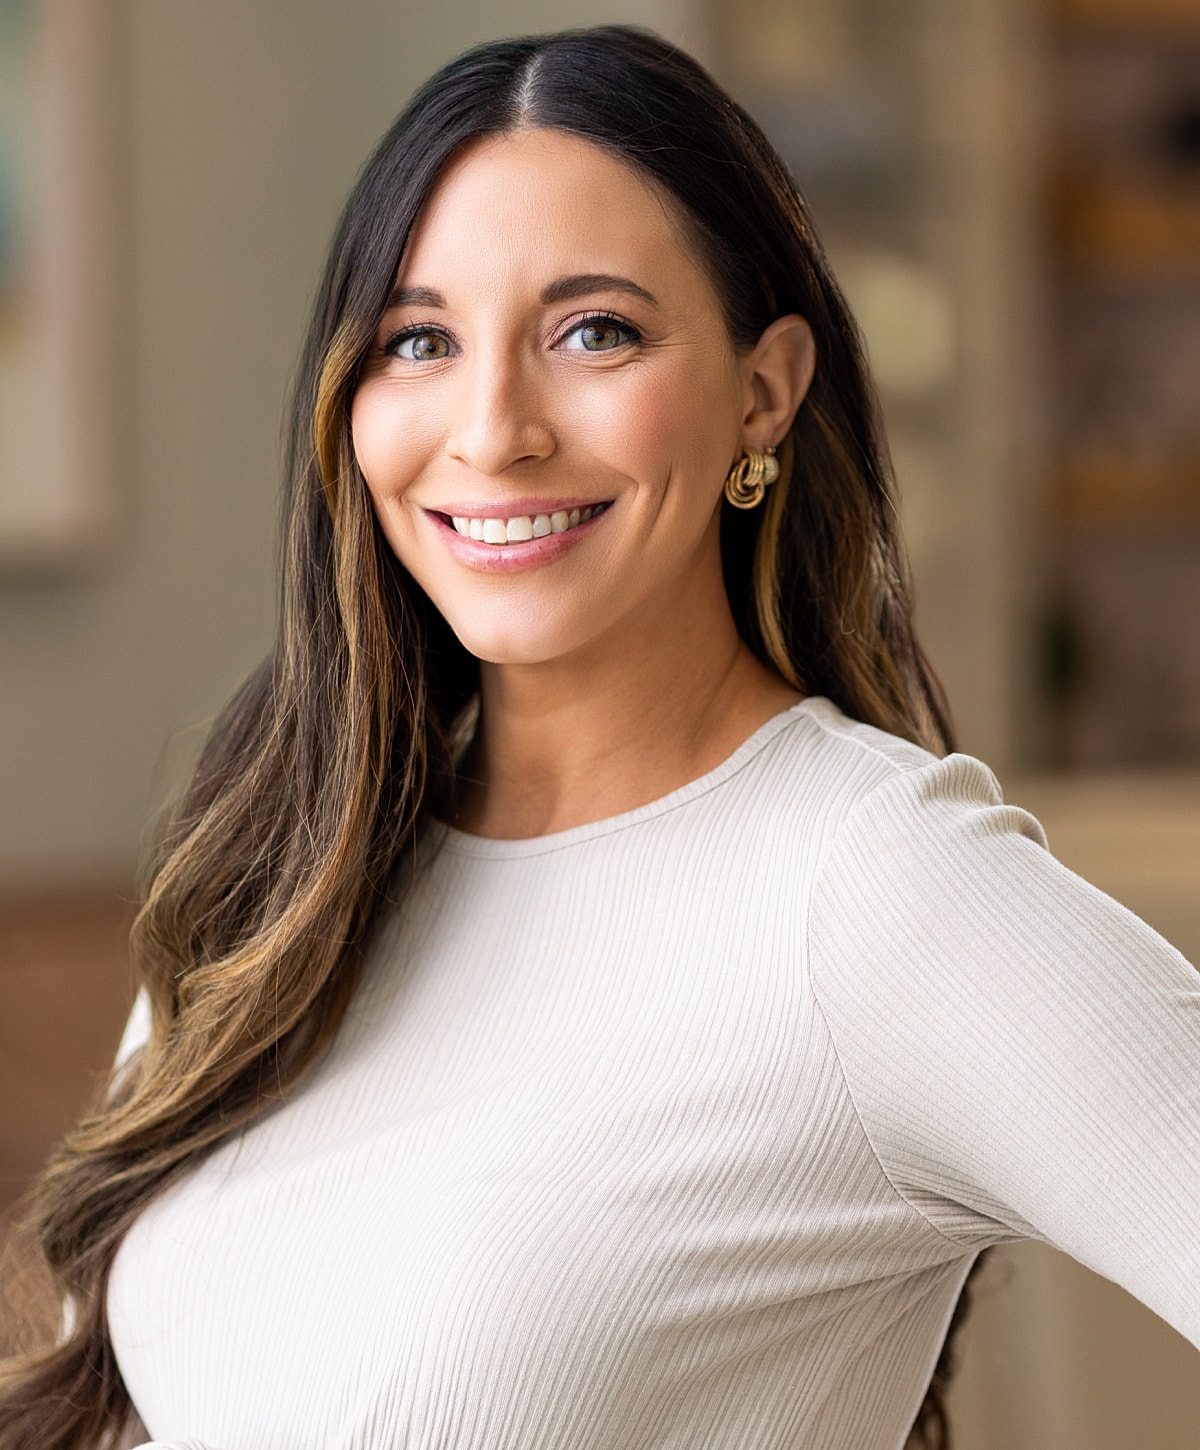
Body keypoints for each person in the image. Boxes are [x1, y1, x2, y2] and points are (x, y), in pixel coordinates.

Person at [2, 24, 1198, 1450]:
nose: (492, 430)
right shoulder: (283, 855)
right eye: (420, 341)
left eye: (595, 332)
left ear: (765, 388)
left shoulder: (874, 896)